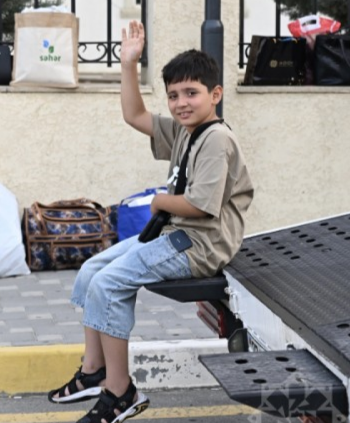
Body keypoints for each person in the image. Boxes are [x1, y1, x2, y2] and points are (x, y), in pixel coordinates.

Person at [47, 21, 255, 423]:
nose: (181, 103)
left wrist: (158, 201)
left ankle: (121, 393)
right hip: (177, 234)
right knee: (93, 270)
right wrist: (128, 64)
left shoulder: (216, 139)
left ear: (216, 95)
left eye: (191, 93)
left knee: (110, 284)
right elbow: (135, 114)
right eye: (174, 95)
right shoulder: (185, 130)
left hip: (199, 244)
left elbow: (201, 205)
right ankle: (95, 371)